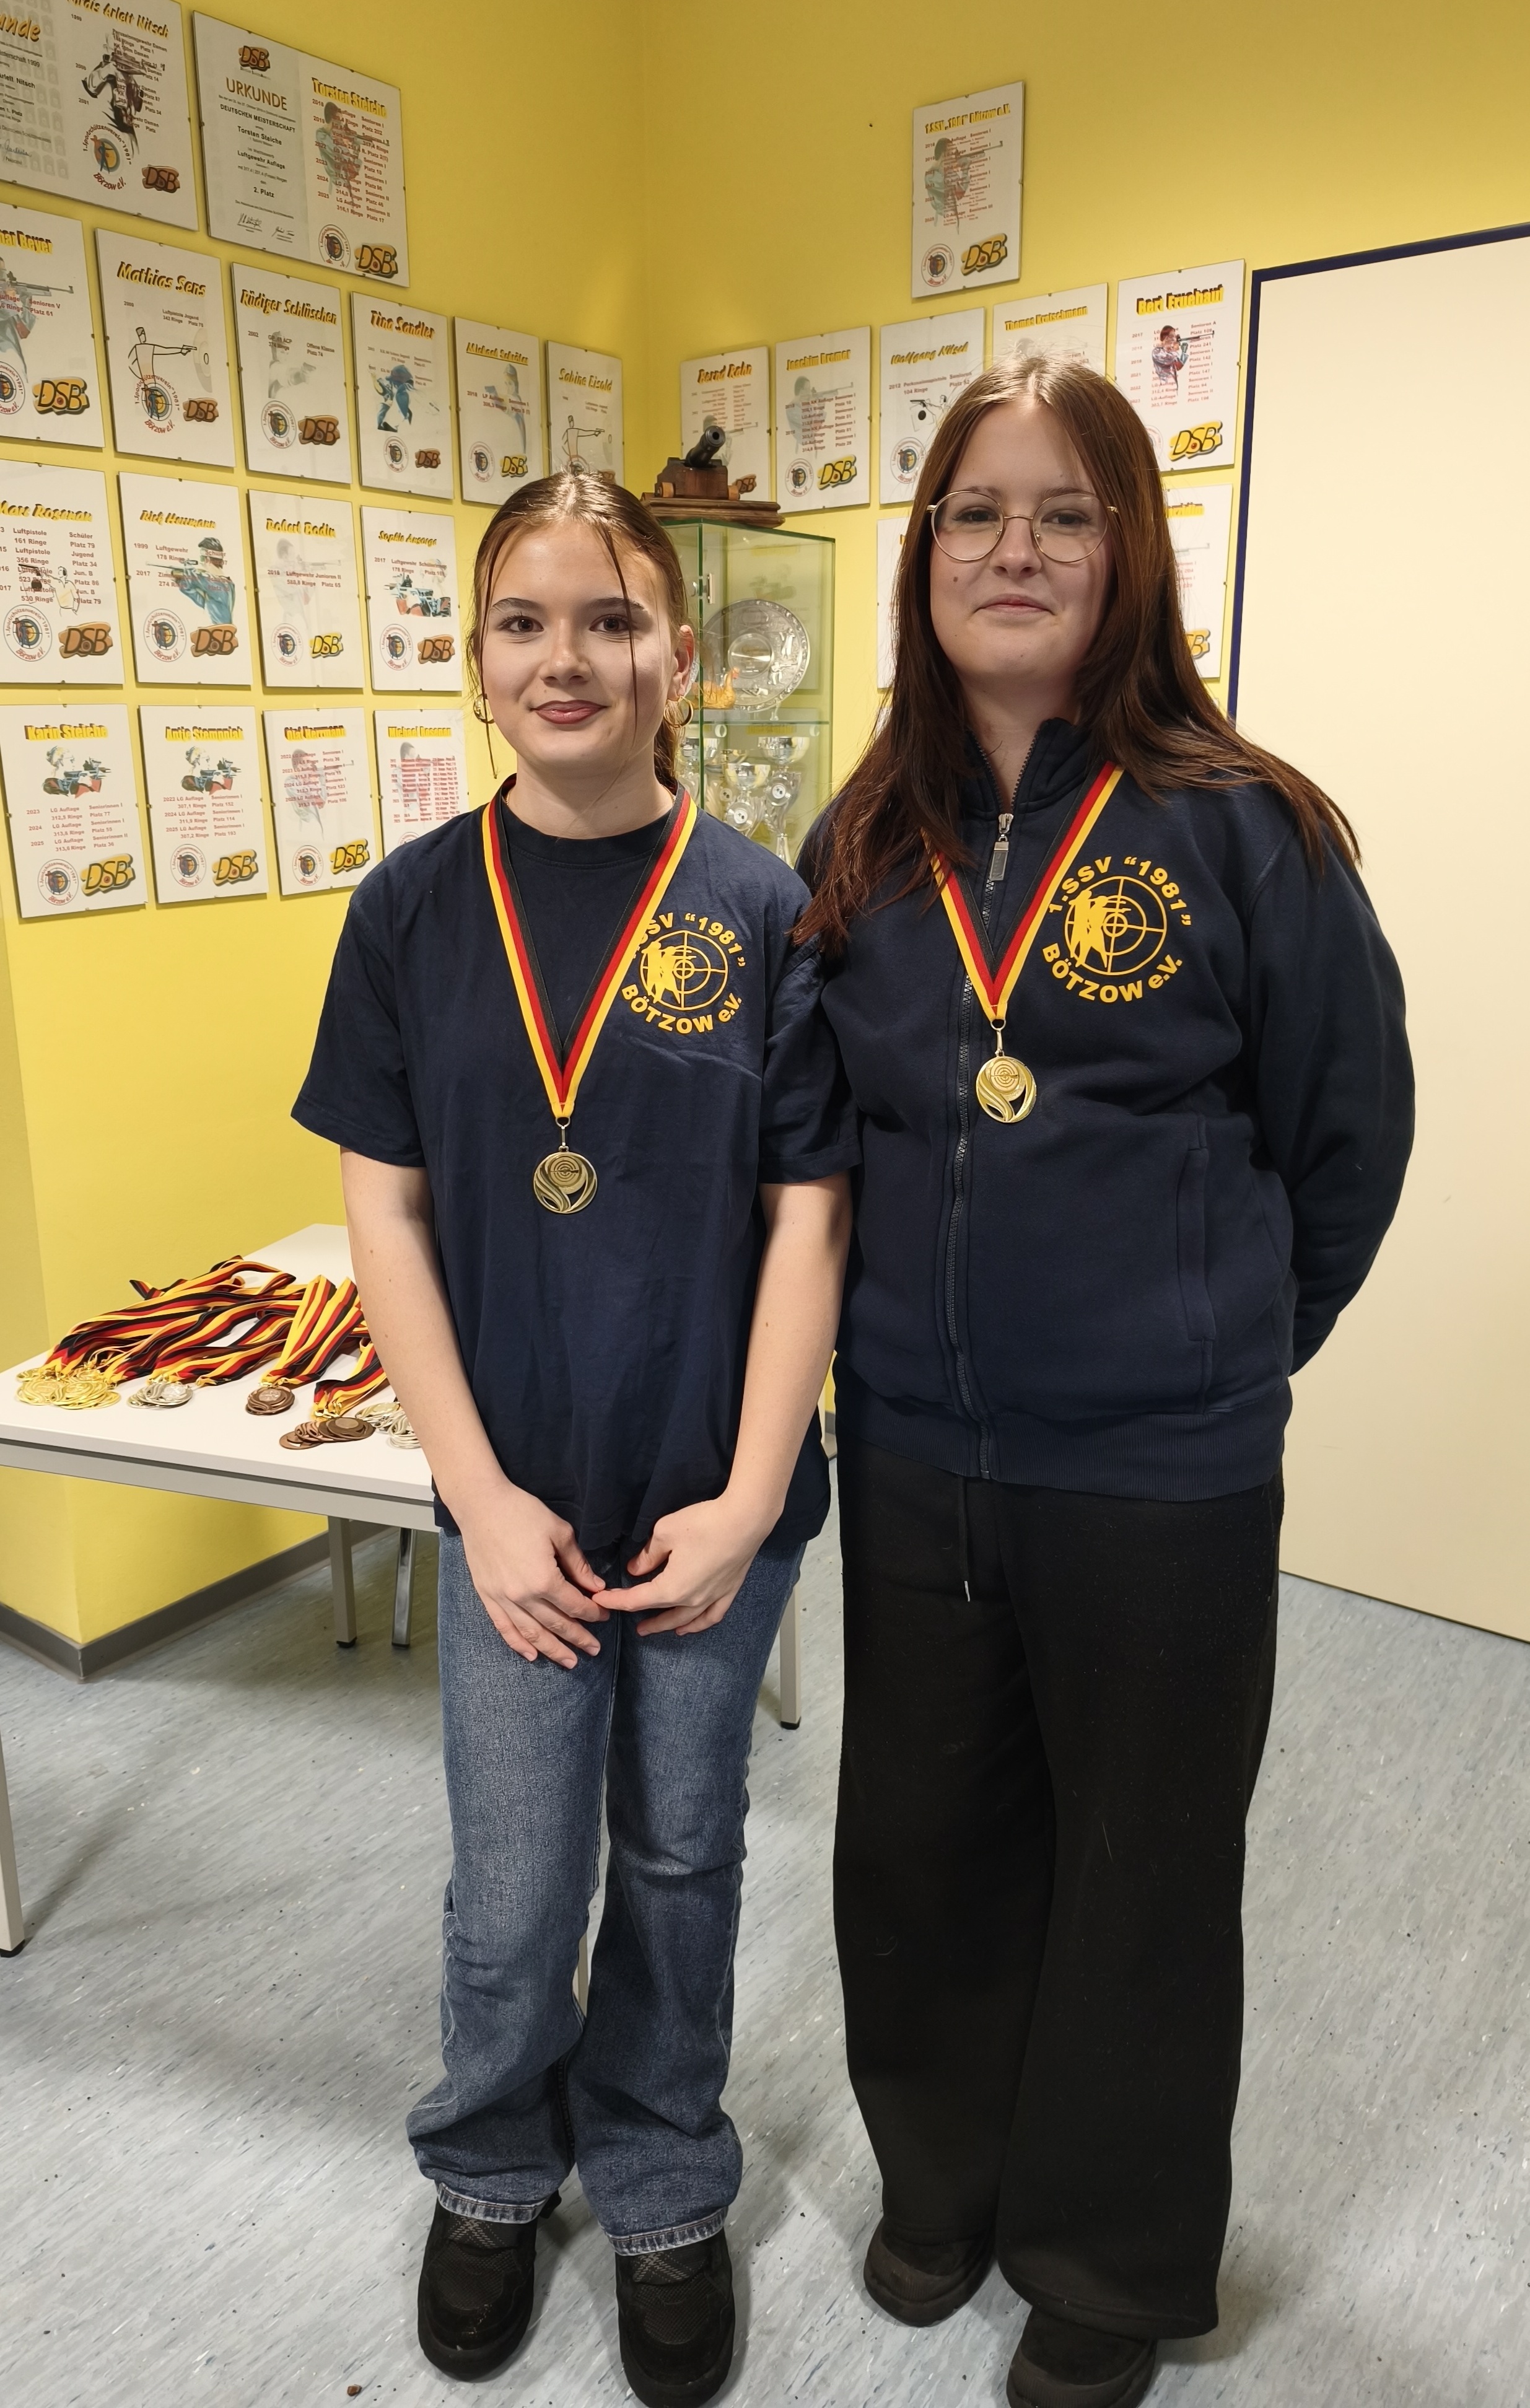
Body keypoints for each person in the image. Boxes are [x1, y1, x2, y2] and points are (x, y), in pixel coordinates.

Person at [796, 352, 1412, 2408]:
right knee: (917, 1841)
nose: (1019, 548)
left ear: (1131, 548)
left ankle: (1107, 2258)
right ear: (926, 551)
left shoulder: (1248, 828)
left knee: (1145, 1871)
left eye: (1068, 511)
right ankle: (944, 2183)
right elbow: (823, 1148)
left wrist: (1211, 1343)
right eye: (977, 510)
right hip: (913, 1444)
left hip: (1159, 1468)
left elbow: (1347, 1138)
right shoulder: (865, 836)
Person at [292, 469, 855, 2403]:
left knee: (684, 1856)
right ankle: (490, 2162)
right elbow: (386, 1214)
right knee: (519, 1875)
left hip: (708, 1500)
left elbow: (811, 1214)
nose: (567, 657)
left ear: (678, 658)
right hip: (510, 1498)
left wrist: (755, 1492)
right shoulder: (409, 909)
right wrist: (476, 1496)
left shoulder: (764, 907)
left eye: (609, 621)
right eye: (523, 622)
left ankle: (663, 2173)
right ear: (472, 662)